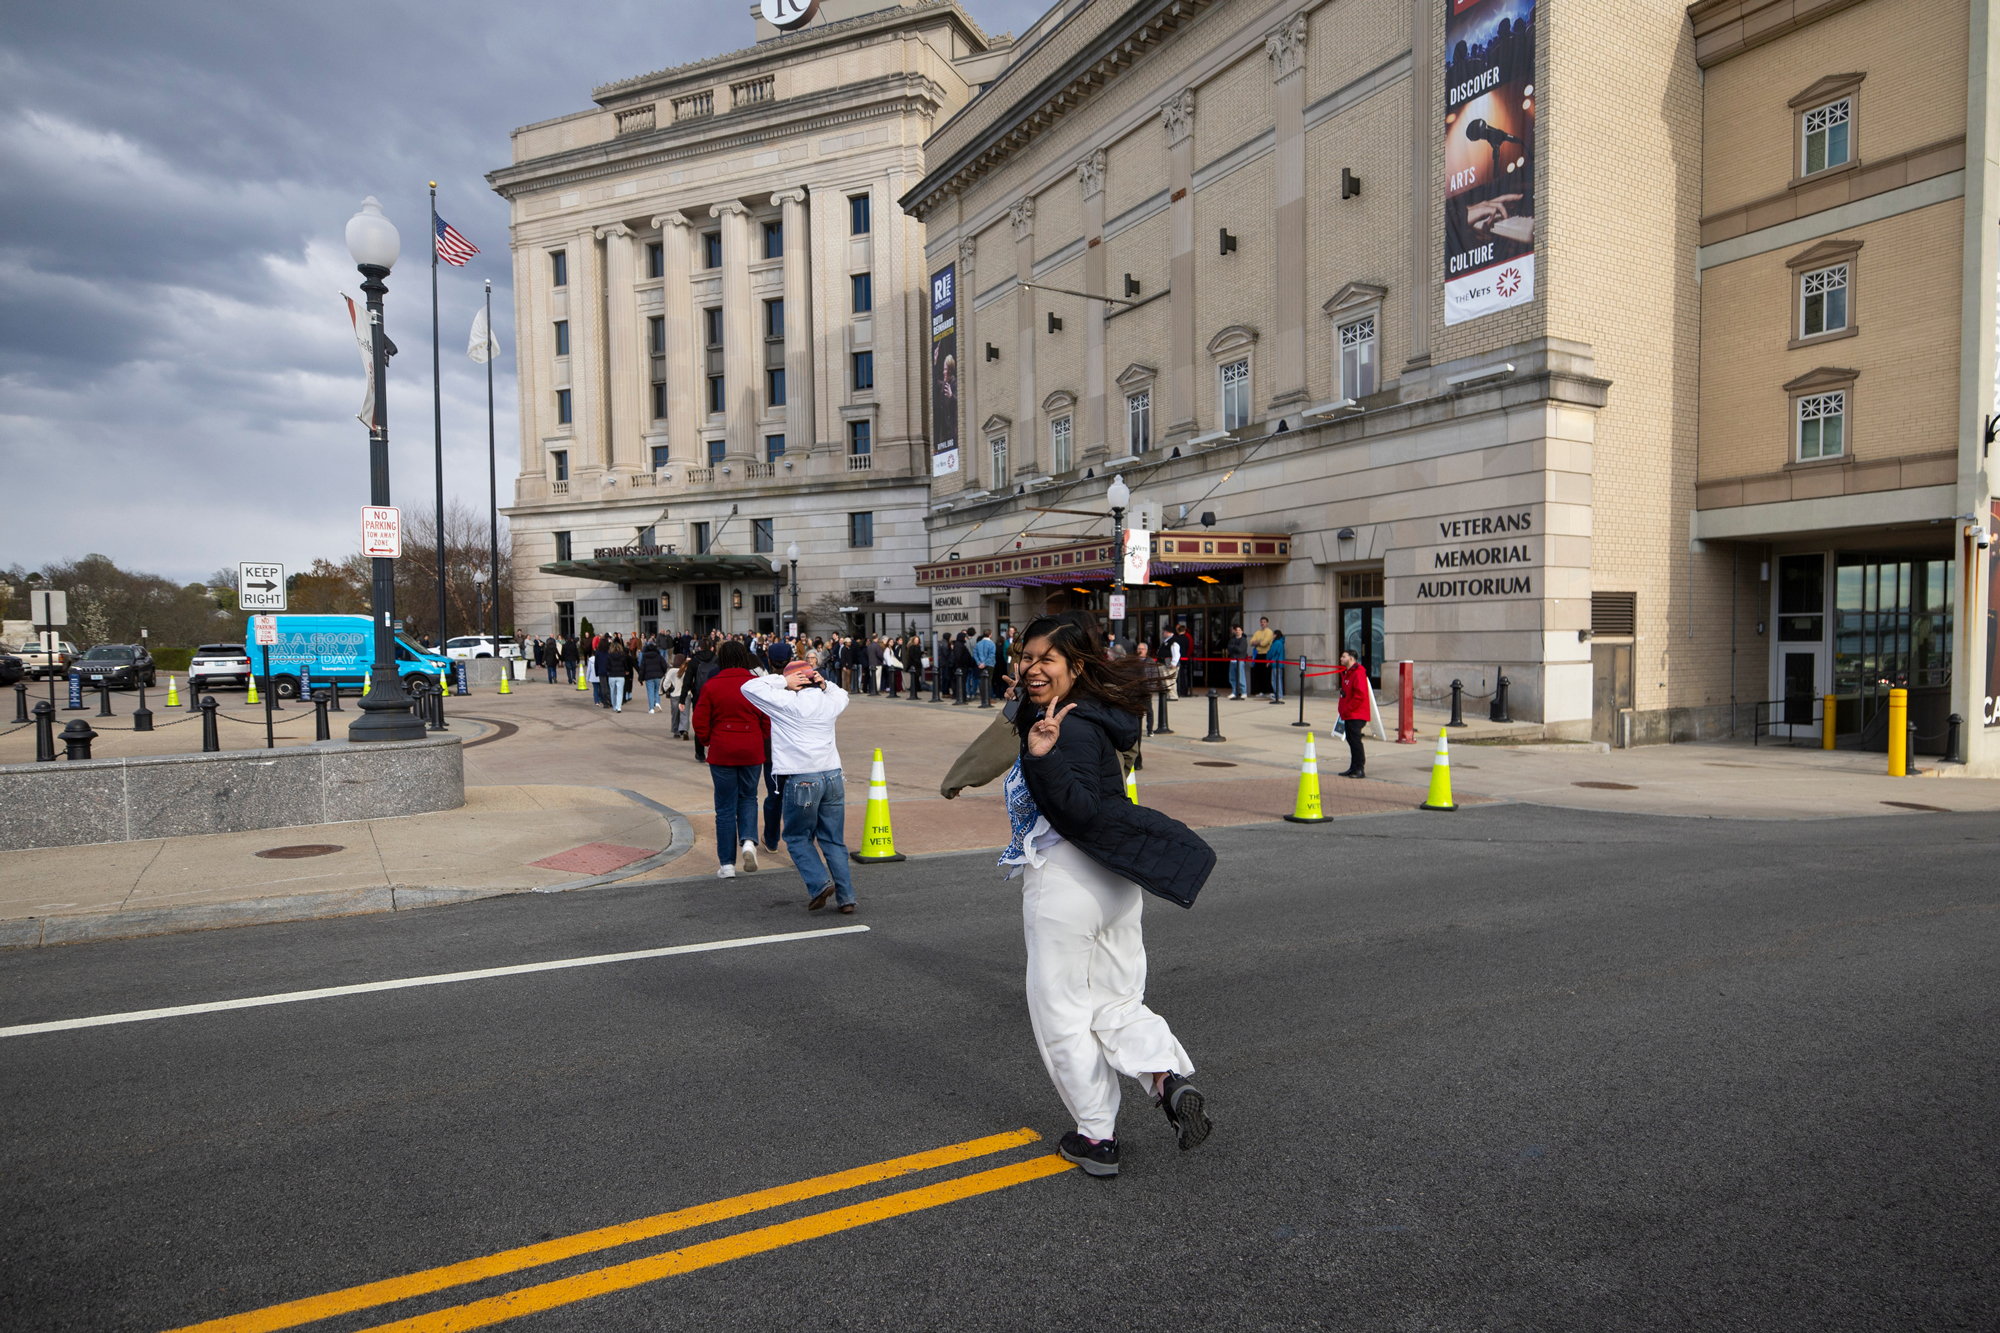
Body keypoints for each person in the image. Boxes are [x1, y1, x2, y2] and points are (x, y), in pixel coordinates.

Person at [1003, 616, 1215, 1177]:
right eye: (1027, 656)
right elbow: (1018, 729)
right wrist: (1022, 710)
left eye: (1047, 659)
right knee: (1116, 1001)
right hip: (1115, 882)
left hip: (1067, 879)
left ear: (1076, 666)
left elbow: (1077, 810)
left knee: (1063, 1014)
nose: (1032, 668)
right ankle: (1166, 1079)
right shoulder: (1092, 716)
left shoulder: (1064, 729)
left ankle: (1096, 1137)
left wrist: (1043, 757)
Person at [744, 659, 857, 913]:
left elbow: (749, 688)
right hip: (832, 776)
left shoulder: (786, 702)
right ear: (813, 679)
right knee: (833, 840)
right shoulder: (829, 702)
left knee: (796, 836)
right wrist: (824, 683)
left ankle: (819, 883)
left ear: (795, 683)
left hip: (802, 777)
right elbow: (842, 694)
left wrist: (783, 681)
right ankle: (846, 897)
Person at [692, 640, 770, 879]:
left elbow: (699, 720)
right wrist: (759, 737)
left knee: (725, 807)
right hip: (751, 747)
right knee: (748, 797)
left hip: (722, 747)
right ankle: (748, 841)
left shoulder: (712, 685)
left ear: (722, 659)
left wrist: (707, 741)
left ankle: (727, 865)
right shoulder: (756, 684)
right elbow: (767, 719)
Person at [1335, 649, 1370, 778]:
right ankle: (1353, 767)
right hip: (1349, 713)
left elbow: (1360, 695)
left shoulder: (1358, 673)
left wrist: (1348, 709)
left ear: (1351, 659)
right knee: (1351, 740)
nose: (1341, 658)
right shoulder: (1349, 673)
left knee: (1355, 741)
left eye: (1343, 656)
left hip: (1356, 714)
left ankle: (1359, 768)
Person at [639, 636, 669, 713]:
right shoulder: (659, 656)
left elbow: (642, 668)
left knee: (650, 692)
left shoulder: (645, 657)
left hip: (649, 677)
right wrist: (663, 672)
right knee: (657, 690)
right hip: (658, 676)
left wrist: (640, 679)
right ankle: (657, 702)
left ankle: (651, 708)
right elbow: (664, 665)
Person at [605, 635, 631, 712]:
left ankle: (614, 706)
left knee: (613, 691)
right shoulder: (622, 656)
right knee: (620, 692)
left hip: (612, 675)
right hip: (620, 675)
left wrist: (610, 670)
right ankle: (618, 707)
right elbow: (625, 665)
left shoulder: (609, 656)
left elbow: (606, 666)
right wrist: (626, 670)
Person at [1226, 624, 1248, 700]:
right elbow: (1228, 649)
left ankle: (1243, 692)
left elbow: (1240, 649)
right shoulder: (1232, 640)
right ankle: (1234, 692)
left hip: (1240, 660)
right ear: (1235, 631)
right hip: (1232, 660)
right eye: (1237, 630)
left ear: (1241, 631)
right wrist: (1233, 648)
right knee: (1232, 677)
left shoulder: (1243, 640)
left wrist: (1233, 647)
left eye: (1239, 630)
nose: (1238, 631)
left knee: (1241, 677)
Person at [1267, 626, 1287, 705]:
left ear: (1275, 635)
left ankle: (1278, 694)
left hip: (1276, 663)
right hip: (1280, 663)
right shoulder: (1281, 643)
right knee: (1278, 679)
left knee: (1275, 680)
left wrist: (1268, 660)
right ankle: (1279, 694)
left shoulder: (1276, 643)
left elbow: (1271, 652)